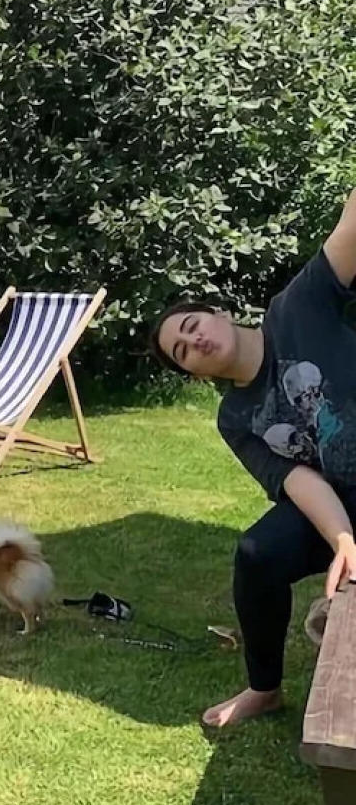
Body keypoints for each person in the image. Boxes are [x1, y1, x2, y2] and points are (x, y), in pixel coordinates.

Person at [152, 188, 356, 728]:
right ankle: (263, 689)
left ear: (219, 314)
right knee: (258, 554)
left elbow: (351, 225)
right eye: (182, 351)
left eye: (193, 325)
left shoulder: (298, 308)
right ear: (193, 374)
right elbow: (298, 481)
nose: (194, 341)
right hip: (337, 499)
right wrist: (342, 538)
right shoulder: (235, 417)